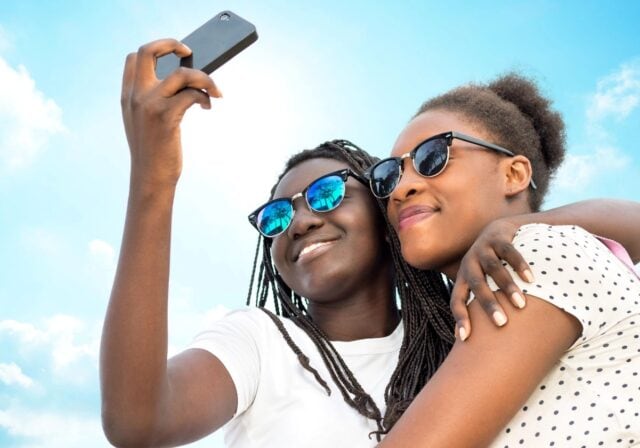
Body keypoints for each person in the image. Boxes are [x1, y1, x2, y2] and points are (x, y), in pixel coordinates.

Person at [101, 40, 639, 447]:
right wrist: (153, 177)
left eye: (330, 193)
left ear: (387, 220)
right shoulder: (263, 341)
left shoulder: (472, 320)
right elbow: (138, 420)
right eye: (276, 215)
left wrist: (526, 225)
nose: (301, 221)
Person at [366, 73, 640, 446]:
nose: (401, 188)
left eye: (433, 156)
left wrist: (519, 225)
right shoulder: (472, 313)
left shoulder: (535, 254)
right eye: (387, 176)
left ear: (513, 174)